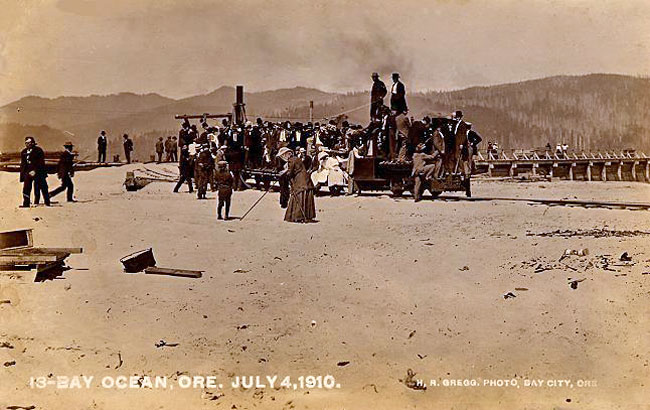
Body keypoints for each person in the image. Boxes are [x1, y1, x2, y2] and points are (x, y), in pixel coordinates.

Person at [277, 147, 316, 223]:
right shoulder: (296, 159)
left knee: (299, 197)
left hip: (300, 180)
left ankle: (299, 216)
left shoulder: (291, 160)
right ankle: (307, 215)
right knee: (304, 196)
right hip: (306, 179)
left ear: (287, 155)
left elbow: (290, 172)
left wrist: (283, 175)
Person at [19, 136, 50, 207]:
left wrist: (35, 171)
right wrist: (23, 174)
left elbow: (40, 162)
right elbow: (23, 164)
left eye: (30, 143)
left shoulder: (38, 150)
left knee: (43, 187)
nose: (28, 144)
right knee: (26, 188)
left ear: (33, 143)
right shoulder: (23, 152)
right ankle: (26, 203)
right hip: (28, 172)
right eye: (26, 143)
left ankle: (47, 202)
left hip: (39, 172)